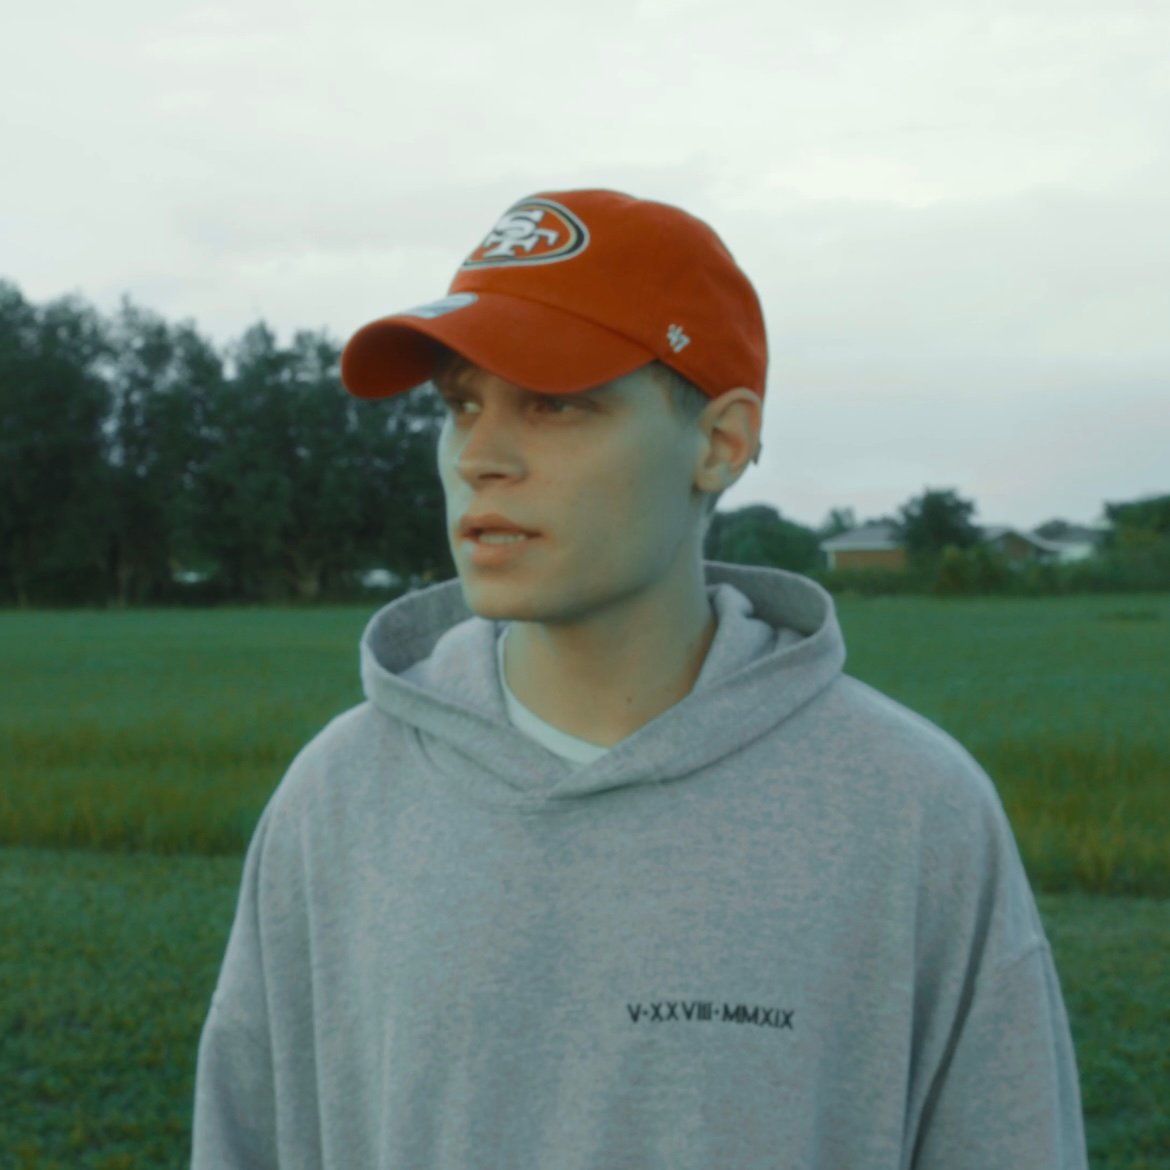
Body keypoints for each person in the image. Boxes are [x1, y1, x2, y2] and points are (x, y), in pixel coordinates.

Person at [191, 188, 1089, 1168]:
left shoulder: (914, 809)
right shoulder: (338, 798)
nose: (481, 456)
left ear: (720, 442)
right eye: (459, 406)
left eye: (556, 402)